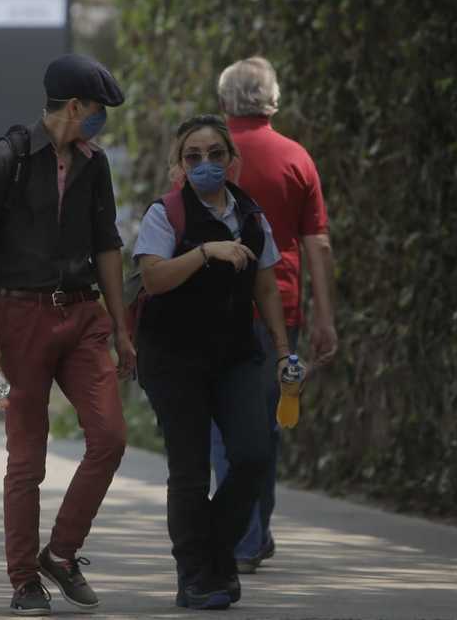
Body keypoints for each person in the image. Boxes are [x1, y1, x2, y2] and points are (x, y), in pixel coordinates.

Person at [0, 53, 135, 616]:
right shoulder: (3, 160)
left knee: (109, 436)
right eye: (98, 110)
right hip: (19, 318)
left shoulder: (95, 164)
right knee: (27, 459)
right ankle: (23, 581)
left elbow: (108, 246)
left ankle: (60, 552)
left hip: (83, 315)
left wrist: (121, 329)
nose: (100, 121)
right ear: (76, 106)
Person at [134, 114, 292, 610]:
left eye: (215, 155)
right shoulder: (166, 214)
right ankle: (195, 577)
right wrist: (206, 251)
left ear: (232, 160)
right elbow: (154, 278)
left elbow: (266, 287)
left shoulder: (251, 215)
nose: (206, 164)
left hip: (236, 354)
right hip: (173, 356)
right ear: (179, 166)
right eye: (193, 157)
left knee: (252, 455)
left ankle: (216, 554)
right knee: (189, 471)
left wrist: (284, 352)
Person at [211, 56, 338, 574]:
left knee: (224, 428)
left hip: (214, 310)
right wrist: (325, 317)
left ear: (224, 103)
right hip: (280, 313)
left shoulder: (209, 154)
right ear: (273, 100)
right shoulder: (296, 158)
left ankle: (245, 538)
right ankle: (252, 534)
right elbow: (317, 245)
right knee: (266, 424)